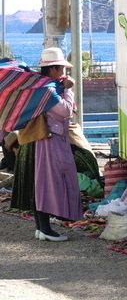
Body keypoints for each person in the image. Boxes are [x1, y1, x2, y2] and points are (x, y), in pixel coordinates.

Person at [10, 47, 83, 241]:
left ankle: (41, 228)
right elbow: (65, 111)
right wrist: (68, 90)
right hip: (47, 143)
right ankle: (46, 230)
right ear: (54, 69)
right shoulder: (49, 91)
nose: (64, 73)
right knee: (47, 186)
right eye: (62, 69)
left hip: (33, 142)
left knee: (38, 186)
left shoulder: (40, 86)